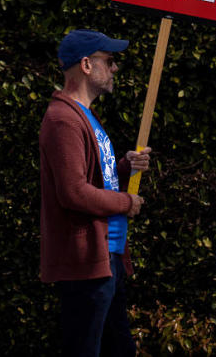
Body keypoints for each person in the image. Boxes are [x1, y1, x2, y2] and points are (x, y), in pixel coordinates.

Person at [38, 28, 152, 357]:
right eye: (110, 61)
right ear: (86, 65)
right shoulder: (64, 120)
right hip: (86, 263)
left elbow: (91, 178)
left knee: (121, 348)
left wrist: (121, 167)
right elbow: (73, 192)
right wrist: (126, 202)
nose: (115, 68)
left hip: (105, 259)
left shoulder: (85, 116)